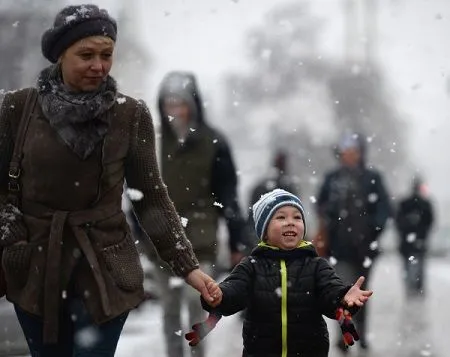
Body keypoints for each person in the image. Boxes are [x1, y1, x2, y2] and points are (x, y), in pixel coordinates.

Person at [0, 5, 220, 356]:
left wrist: (189, 268)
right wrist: (13, 245)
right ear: (60, 54)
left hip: (104, 272)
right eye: (86, 55)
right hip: (37, 272)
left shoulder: (129, 114)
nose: (99, 65)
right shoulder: (17, 109)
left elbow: (150, 197)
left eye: (106, 54)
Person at [192, 189, 373, 357]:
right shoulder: (251, 266)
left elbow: (330, 292)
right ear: (264, 232)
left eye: (297, 217)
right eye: (280, 217)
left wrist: (344, 297)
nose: (290, 222)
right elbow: (234, 291)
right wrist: (220, 296)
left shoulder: (317, 266)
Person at [147, 70, 247, 357]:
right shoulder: (151, 143)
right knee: (168, 310)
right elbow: (136, 192)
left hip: (200, 239)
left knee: (197, 305)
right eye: (169, 104)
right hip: (161, 241)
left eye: (180, 103)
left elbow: (228, 196)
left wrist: (237, 240)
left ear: (193, 105)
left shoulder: (214, 142)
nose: (175, 111)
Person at [316, 131, 391, 350]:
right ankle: (345, 335)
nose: (349, 154)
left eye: (353, 150)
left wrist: (372, 230)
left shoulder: (372, 178)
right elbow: (320, 205)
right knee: (342, 291)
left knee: (362, 293)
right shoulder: (332, 179)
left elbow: (384, 209)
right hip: (338, 248)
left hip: (364, 250)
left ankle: (362, 332)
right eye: (345, 150)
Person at [395, 176, 434, 296]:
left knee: (413, 266)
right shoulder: (424, 204)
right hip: (415, 241)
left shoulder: (408, 203)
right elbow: (429, 221)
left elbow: (398, 221)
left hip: (412, 241)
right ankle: (416, 287)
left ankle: (413, 287)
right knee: (417, 267)